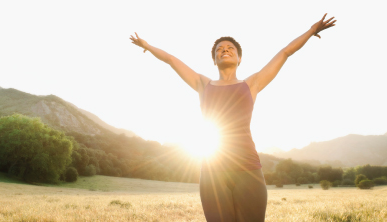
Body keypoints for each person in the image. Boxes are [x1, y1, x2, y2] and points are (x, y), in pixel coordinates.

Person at [130, 14, 336, 222]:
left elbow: (285, 53)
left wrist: (311, 31)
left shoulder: (252, 84)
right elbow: (171, 60)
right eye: (219, 49)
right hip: (212, 172)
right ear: (214, 60)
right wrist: (147, 45)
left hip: (249, 168)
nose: (225, 50)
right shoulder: (203, 84)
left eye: (230, 48)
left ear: (239, 59)